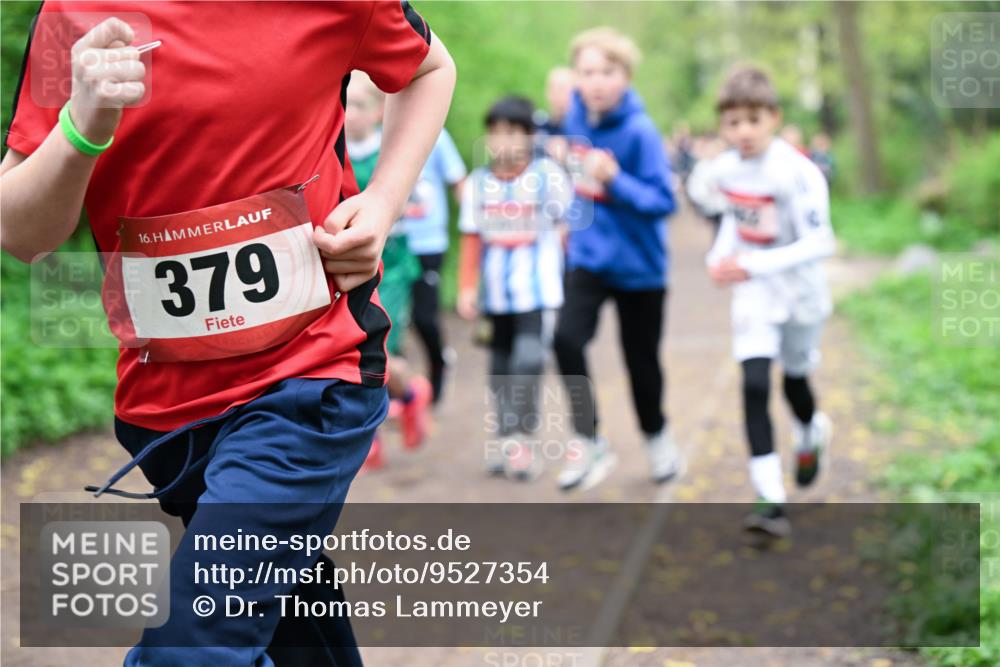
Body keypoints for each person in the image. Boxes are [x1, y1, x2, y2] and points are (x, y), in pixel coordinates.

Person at [1, 3, 455, 665]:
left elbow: (429, 68)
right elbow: (21, 235)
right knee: (285, 627)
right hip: (167, 410)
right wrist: (81, 128)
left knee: (194, 644)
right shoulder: (73, 13)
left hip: (311, 377)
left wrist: (382, 203)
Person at [705, 65, 835, 538]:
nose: (744, 131)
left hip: (801, 294)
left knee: (795, 382)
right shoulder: (726, 170)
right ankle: (769, 498)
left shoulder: (798, 172)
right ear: (723, 125)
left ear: (774, 118)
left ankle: (810, 433)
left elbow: (821, 241)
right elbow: (733, 221)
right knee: (755, 384)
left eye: (753, 120)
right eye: (733, 122)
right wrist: (718, 259)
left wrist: (755, 264)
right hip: (755, 295)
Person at [552, 27, 681, 492]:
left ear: (626, 76)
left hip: (640, 267)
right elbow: (578, 178)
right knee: (565, 339)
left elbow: (664, 201)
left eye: (607, 72)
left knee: (641, 364)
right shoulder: (575, 117)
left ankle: (657, 437)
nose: (597, 82)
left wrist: (615, 179)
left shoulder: (640, 131)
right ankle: (589, 439)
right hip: (589, 257)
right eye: (587, 72)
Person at [456, 96, 571, 481]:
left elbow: (567, 216)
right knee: (500, 368)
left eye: (513, 133)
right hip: (496, 296)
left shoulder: (547, 176)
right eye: (496, 133)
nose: (503, 142)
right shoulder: (478, 183)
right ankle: (506, 440)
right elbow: (471, 237)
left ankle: (522, 437)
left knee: (529, 360)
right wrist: (467, 287)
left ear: (530, 137)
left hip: (537, 293)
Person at [345, 72, 434, 469]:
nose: (350, 113)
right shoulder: (332, 151)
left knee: (377, 351)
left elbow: (422, 200)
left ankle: (403, 402)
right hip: (347, 267)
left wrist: (393, 205)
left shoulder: (391, 152)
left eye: (359, 105)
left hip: (392, 268)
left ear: (379, 112)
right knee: (351, 350)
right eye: (345, 104)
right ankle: (399, 405)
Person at [400, 126, 466, 404]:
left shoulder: (436, 134)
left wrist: (476, 227)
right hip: (391, 245)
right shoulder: (375, 137)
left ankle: (438, 365)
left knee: (424, 317)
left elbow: (458, 180)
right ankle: (396, 392)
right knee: (390, 320)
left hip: (428, 243)